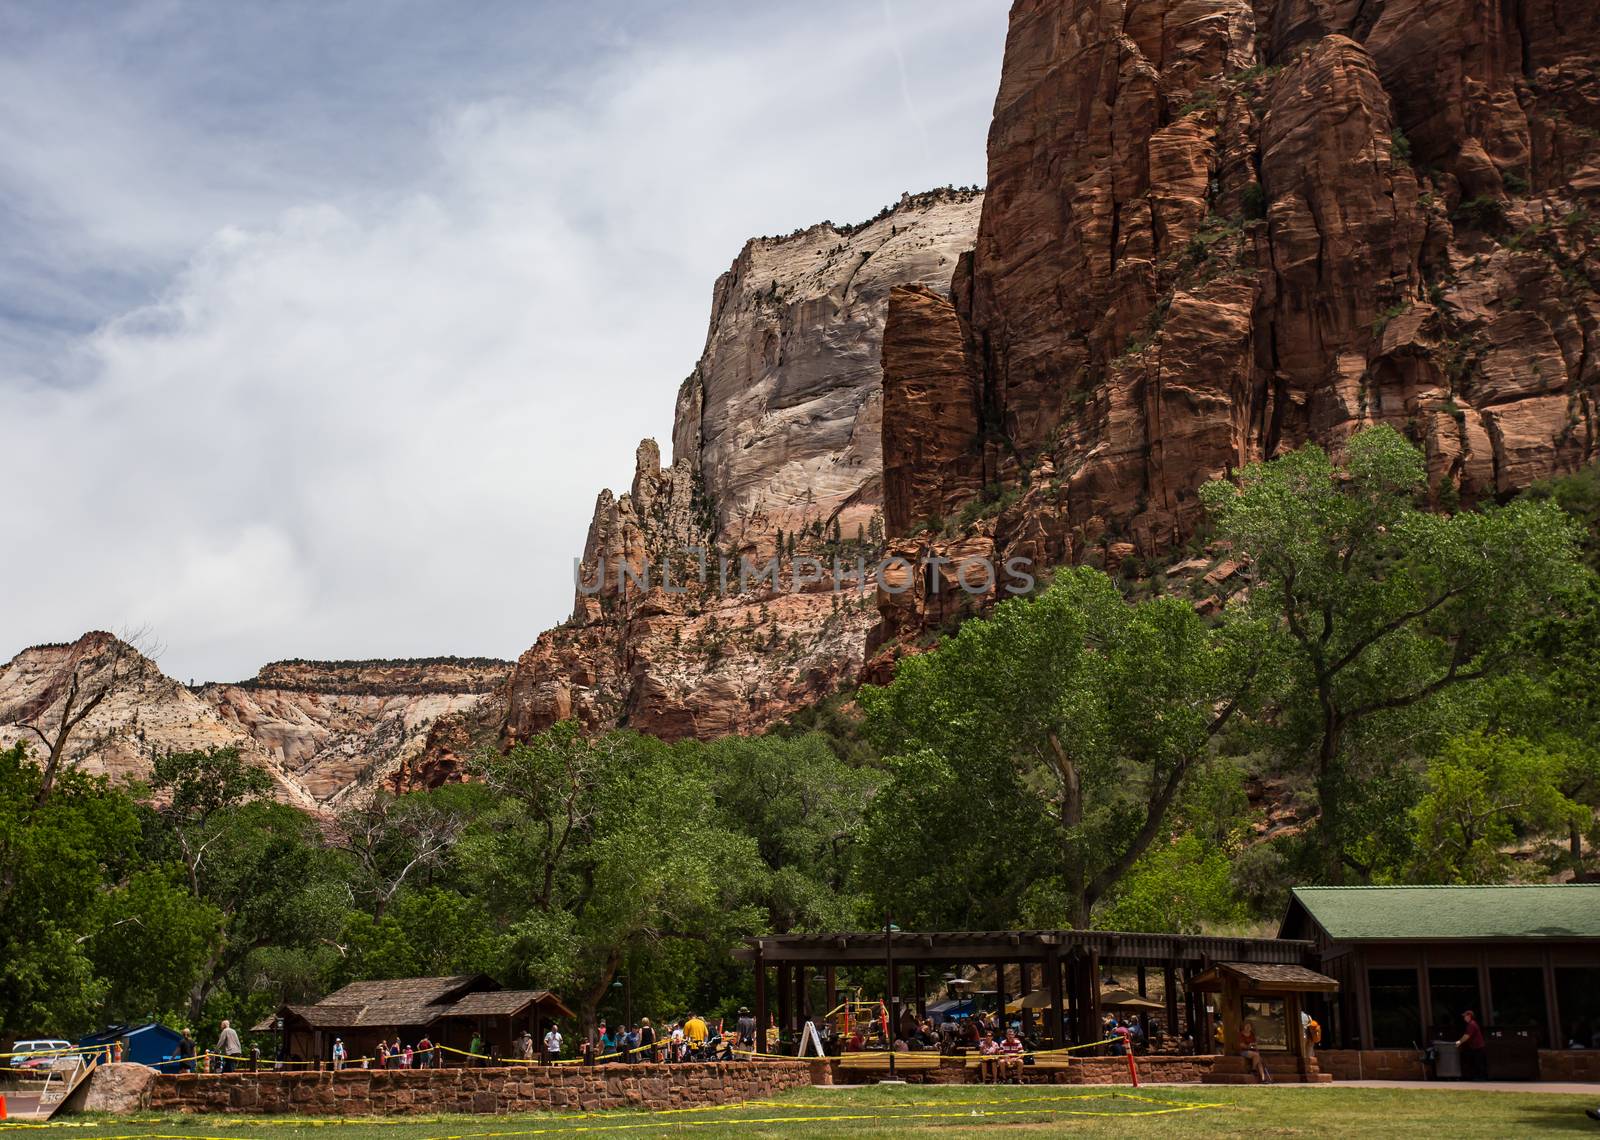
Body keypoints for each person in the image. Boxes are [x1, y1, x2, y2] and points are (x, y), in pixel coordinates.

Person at [1458, 1010, 1487, 1080]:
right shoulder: (1471, 1024)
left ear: (1469, 1016)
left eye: (1465, 1016)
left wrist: (1459, 1042)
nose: (1464, 1017)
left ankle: (1481, 1078)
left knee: (1478, 1062)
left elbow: (1467, 1036)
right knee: (1476, 1062)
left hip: (1478, 1047)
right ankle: (1479, 1077)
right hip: (1476, 1047)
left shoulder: (1471, 1024)